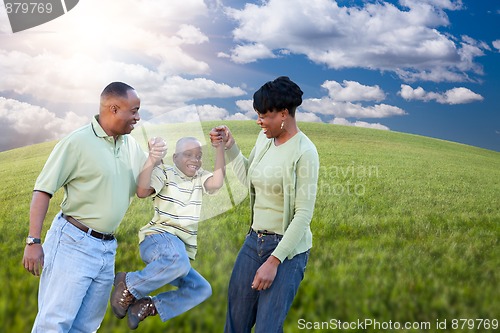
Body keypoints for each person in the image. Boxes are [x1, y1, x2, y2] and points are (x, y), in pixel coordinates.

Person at [22, 82, 167, 332]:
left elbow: (143, 189)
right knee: (54, 324)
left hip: (106, 249)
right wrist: (33, 241)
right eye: (133, 111)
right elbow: (42, 190)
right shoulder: (77, 142)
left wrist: (154, 159)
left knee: (86, 327)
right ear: (113, 109)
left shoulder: (129, 145)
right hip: (72, 243)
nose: (138, 117)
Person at [210, 76, 320, 333]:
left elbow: (303, 215)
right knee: (235, 325)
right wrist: (230, 146)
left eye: (264, 116)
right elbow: (250, 177)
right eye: (257, 115)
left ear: (284, 114)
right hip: (253, 243)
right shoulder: (265, 140)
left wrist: (274, 261)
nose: (259, 121)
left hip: (287, 252)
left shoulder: (305, 152)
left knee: (267, 329)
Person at [110, 135, 226, 330]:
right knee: (178, 260)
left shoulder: (200, 177)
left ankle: (148, 305)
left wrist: (220, 148)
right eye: (188, 155)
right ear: (175, 158)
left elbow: (217, 183)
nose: (194, 160)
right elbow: (142, 191)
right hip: (158, 239)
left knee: (201, 288)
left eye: (198, 156)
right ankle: (128, 284)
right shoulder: (165, 172)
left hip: (177, 253)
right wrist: (153, 160)